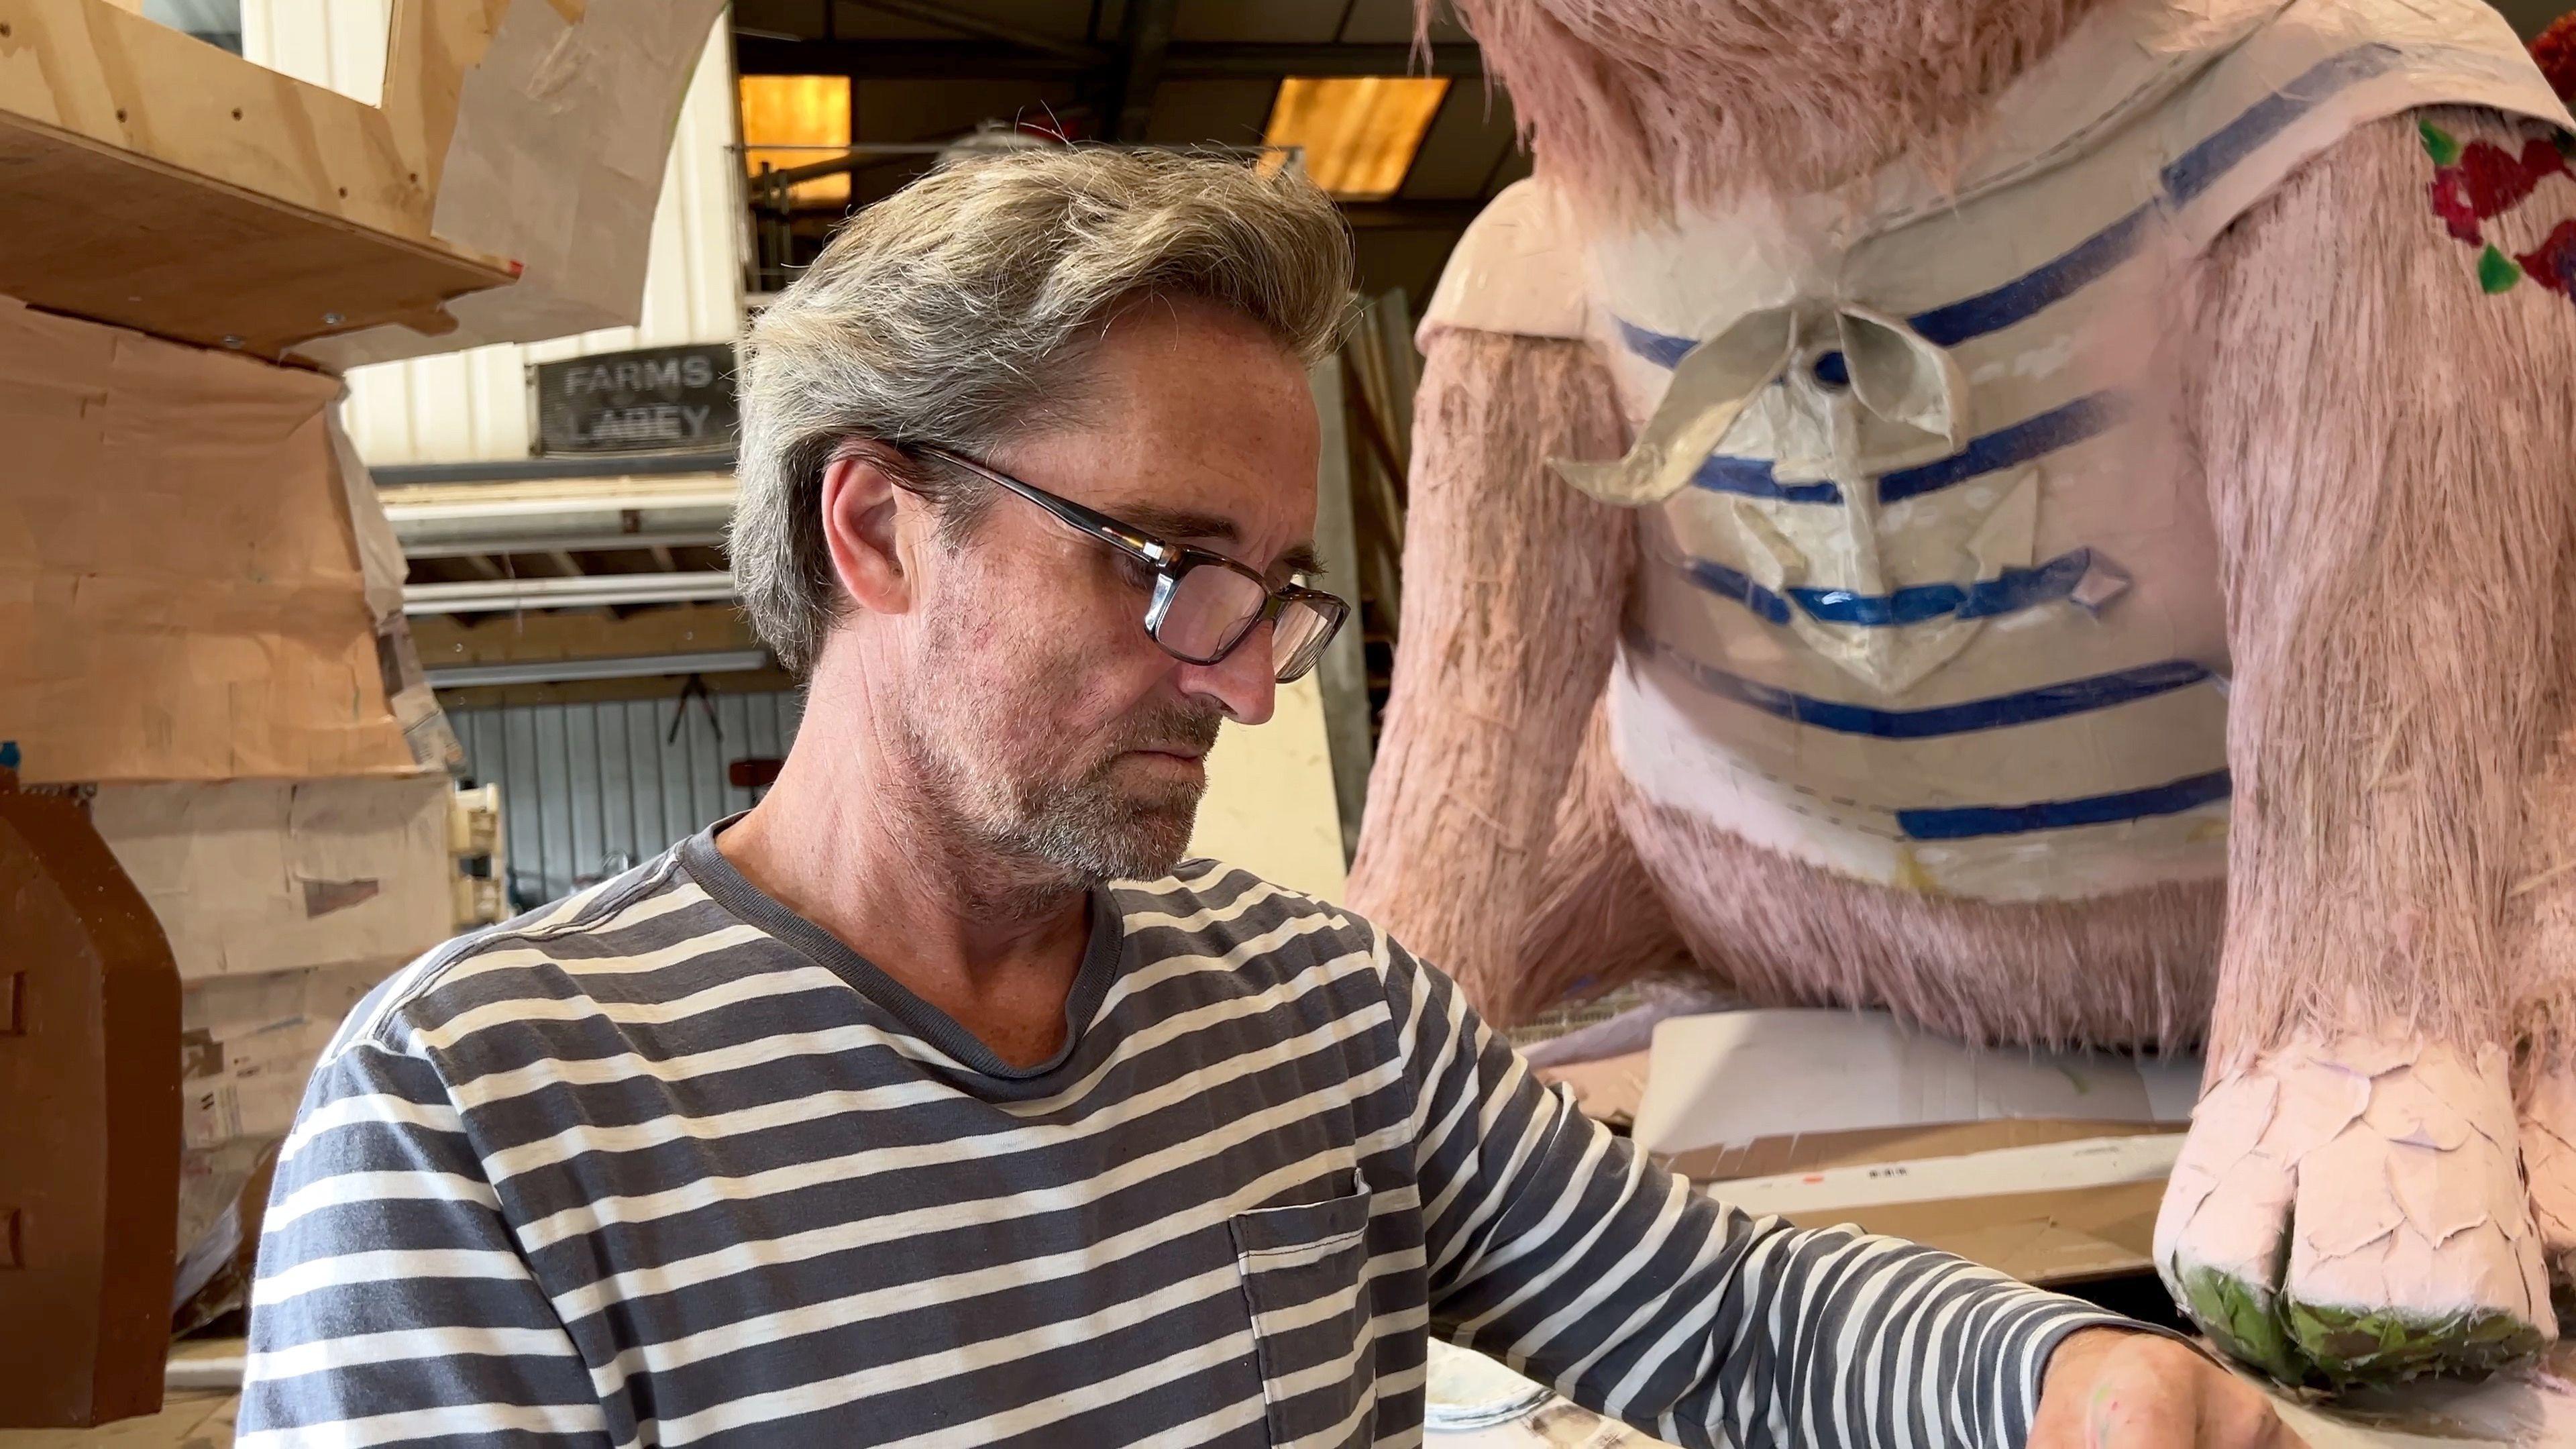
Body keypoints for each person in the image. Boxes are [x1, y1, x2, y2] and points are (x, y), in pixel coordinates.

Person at [235, 148, 2296, 1448]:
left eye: (1275, 591)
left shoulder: (1324, 1018)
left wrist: (2055, 1378)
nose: (1237, 670)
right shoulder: (478, 1123)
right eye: (1162, 562)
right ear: (877, 527)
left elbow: (1724, 1315)